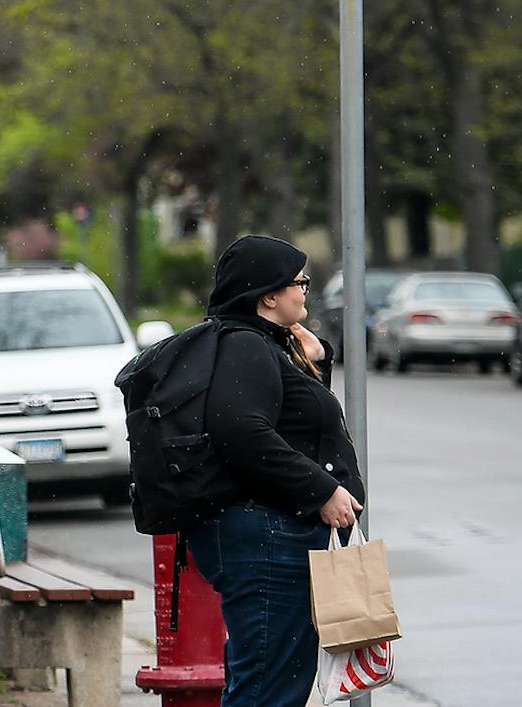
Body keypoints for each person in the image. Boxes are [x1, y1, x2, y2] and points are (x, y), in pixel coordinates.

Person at [191, 235, 366, 707]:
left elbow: (292, 425)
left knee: (271, 680)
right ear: (269, 295)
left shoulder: (264, 346)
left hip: (269, 535)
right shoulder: (245, 346)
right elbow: (242, 433)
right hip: (265, 539)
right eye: (299, 282)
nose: (305, 289)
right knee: (269, 687)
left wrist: (313, 366)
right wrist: (323, 490)